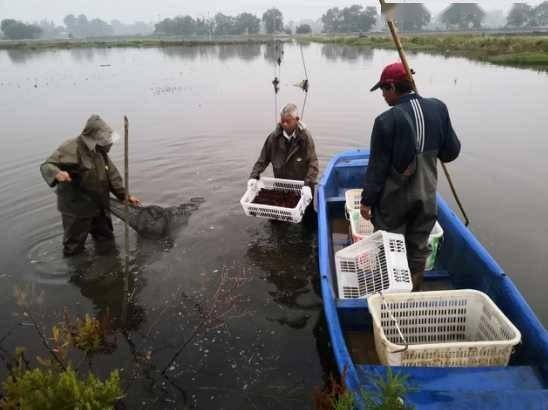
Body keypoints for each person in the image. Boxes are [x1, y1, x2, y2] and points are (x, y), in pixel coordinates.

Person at [360, 62, 461, 290]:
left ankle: (391, 292)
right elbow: (450, 152)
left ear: (393, 86)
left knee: (390, 245)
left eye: (384, 90)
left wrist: (366, 201)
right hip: (426, 196)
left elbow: (377, 168)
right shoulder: (438, 108)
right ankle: (413, 291)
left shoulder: (386, 120)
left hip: (395, 200)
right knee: (418, 247)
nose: (383, 96)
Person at [40, 114, 141, 257]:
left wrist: (126, 196)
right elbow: (47, 165)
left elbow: (112, 176)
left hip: (99, 205)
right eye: (106, 140)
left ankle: (109, 265)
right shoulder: (71, 147)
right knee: (74, 246)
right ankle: (77, 274)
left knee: (106, 238)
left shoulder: (100, 152)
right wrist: (57, 173)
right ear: (94, 137)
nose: (109, 143)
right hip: (76, 207)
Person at [248, 103, 319, 215]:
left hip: (303, 190)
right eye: (282, 121)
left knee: (309, 220)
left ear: (297, 120)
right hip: (281, 190)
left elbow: (313, 163)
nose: (284, 124)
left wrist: (307, 185)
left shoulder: (305, 138)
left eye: (288, 121)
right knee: (277, 223)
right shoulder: (273, 138)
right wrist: (253, 176)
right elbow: (263, 160)